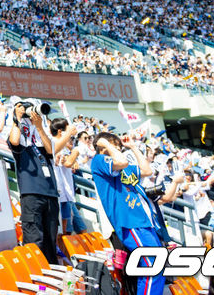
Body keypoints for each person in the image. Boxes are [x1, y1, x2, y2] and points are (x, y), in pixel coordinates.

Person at [91, 132, 163, 295]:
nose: (118, 147)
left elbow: (147, 170)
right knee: (151, 266)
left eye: (118, 145)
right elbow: (121, 161)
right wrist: (105, 144)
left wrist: (133, 147)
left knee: (157, 265)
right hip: (129, 222)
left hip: (144, 222)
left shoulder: (125, 168)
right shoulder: (99, 160)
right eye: (114, 144)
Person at [8, 102, 60, 266]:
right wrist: (17, 118)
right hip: (31, 194)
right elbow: (15, 141)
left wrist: (38, 126)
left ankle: (53, 278)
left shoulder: (40, 137)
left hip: (50, 194)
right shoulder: (22, 143)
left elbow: (51, 150)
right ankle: (36, 276)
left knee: (51, 241)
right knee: (34, 240)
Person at [51, 117, 88, 235]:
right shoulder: (54, 143)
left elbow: (68, 161)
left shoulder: (62, 146)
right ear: (61, 131)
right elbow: (67, 163)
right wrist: (76, 152)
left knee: (66, 230)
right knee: (62, 230)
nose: (72, 132)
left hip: (66, 193)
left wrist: (74, 158)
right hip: (59, 192)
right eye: (69, 130)